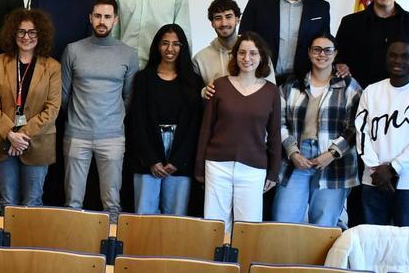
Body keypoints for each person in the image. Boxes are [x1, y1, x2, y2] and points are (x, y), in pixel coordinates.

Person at [28, 0, 95, 207]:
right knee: (43, 140)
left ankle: (67, 205)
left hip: (77, 84)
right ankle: (40, 201)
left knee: (69, 145)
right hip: (41, 80)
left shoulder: (90, 0)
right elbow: (28, 35)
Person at [61, 0, 139, 221]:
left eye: (107, 16)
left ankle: (110, 253)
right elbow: (64, 95)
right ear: (90, 18)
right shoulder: (73, 50)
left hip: (112, 137)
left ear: (115, 20)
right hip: (76, 134)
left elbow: (128, 96)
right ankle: (72, 253)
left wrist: (110, 118)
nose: (102, 21)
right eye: (97, 16)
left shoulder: (128, 54)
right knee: (73, 202)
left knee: (112, 204)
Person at [196, 31, 282, 234]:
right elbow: (206, 128)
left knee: (248, 229)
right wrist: (199, 167)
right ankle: (215, 266)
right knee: (215, 227)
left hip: (253, 169)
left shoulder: (271, 91)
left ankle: (241, 266)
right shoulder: (220, 86)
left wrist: (274, 171)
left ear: (261, 57)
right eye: (242, 53)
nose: (247, 58)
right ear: (235, 56)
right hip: (217, 165)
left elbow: (275, 134)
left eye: (253, 53)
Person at [272, 32, 362, 226]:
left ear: (336, 53)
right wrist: (292, 152)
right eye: (317, 49)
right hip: (296, 159)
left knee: (324, 225)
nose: (322, 54)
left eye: (328, 50)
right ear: (309, 53)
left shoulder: (349, 86)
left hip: (334, 163)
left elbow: (356, 126)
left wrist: (332, 153)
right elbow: (278, 121)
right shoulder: (291, 85)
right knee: (283, 221)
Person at [0, 8, 61, 207]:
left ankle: (30, 240)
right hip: (3, 141)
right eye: (21, 31)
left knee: (32, 203)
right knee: (8, 201)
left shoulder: (52, 67)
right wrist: (10, 134)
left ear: (40, 34)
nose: (26, 37)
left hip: (36, 142)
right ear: (13, 33)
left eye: (32, 32)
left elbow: (52, 108)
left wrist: (21, 136)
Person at [354, 40, 409, 227]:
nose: (397, 60)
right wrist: (376, 168)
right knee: (373, 239)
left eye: (404, 56)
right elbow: (361, 131)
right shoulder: (371, 91)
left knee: (405, 242)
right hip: (373, 178)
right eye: (393, 55)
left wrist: (392, 168)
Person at [126, 24, 203, 216]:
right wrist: (152, 160)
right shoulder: (143, 78)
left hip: (180, 156)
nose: (170, 49)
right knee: (144, 216)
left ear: (183, 47)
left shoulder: (193, 81)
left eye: (176, 44)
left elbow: (195, 126)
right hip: (147, 154)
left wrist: (177, 160)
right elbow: (137, 122)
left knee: (175, 219)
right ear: (157, 46)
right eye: (165, 43)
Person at [239, 0, 331, 82]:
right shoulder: (258, 0)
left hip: (303, 81)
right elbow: (244, 38)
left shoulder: (320, 7)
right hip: (261, 78)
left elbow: (325, 45)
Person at [196, 0, 274, 98]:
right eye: (218, 18)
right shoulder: (200, 59)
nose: (224, 23)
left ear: (237, 19)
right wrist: (203, 91)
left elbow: (272, 92)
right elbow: (194, 95)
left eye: (228, 17)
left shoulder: (259, 53)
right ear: (212, 23)